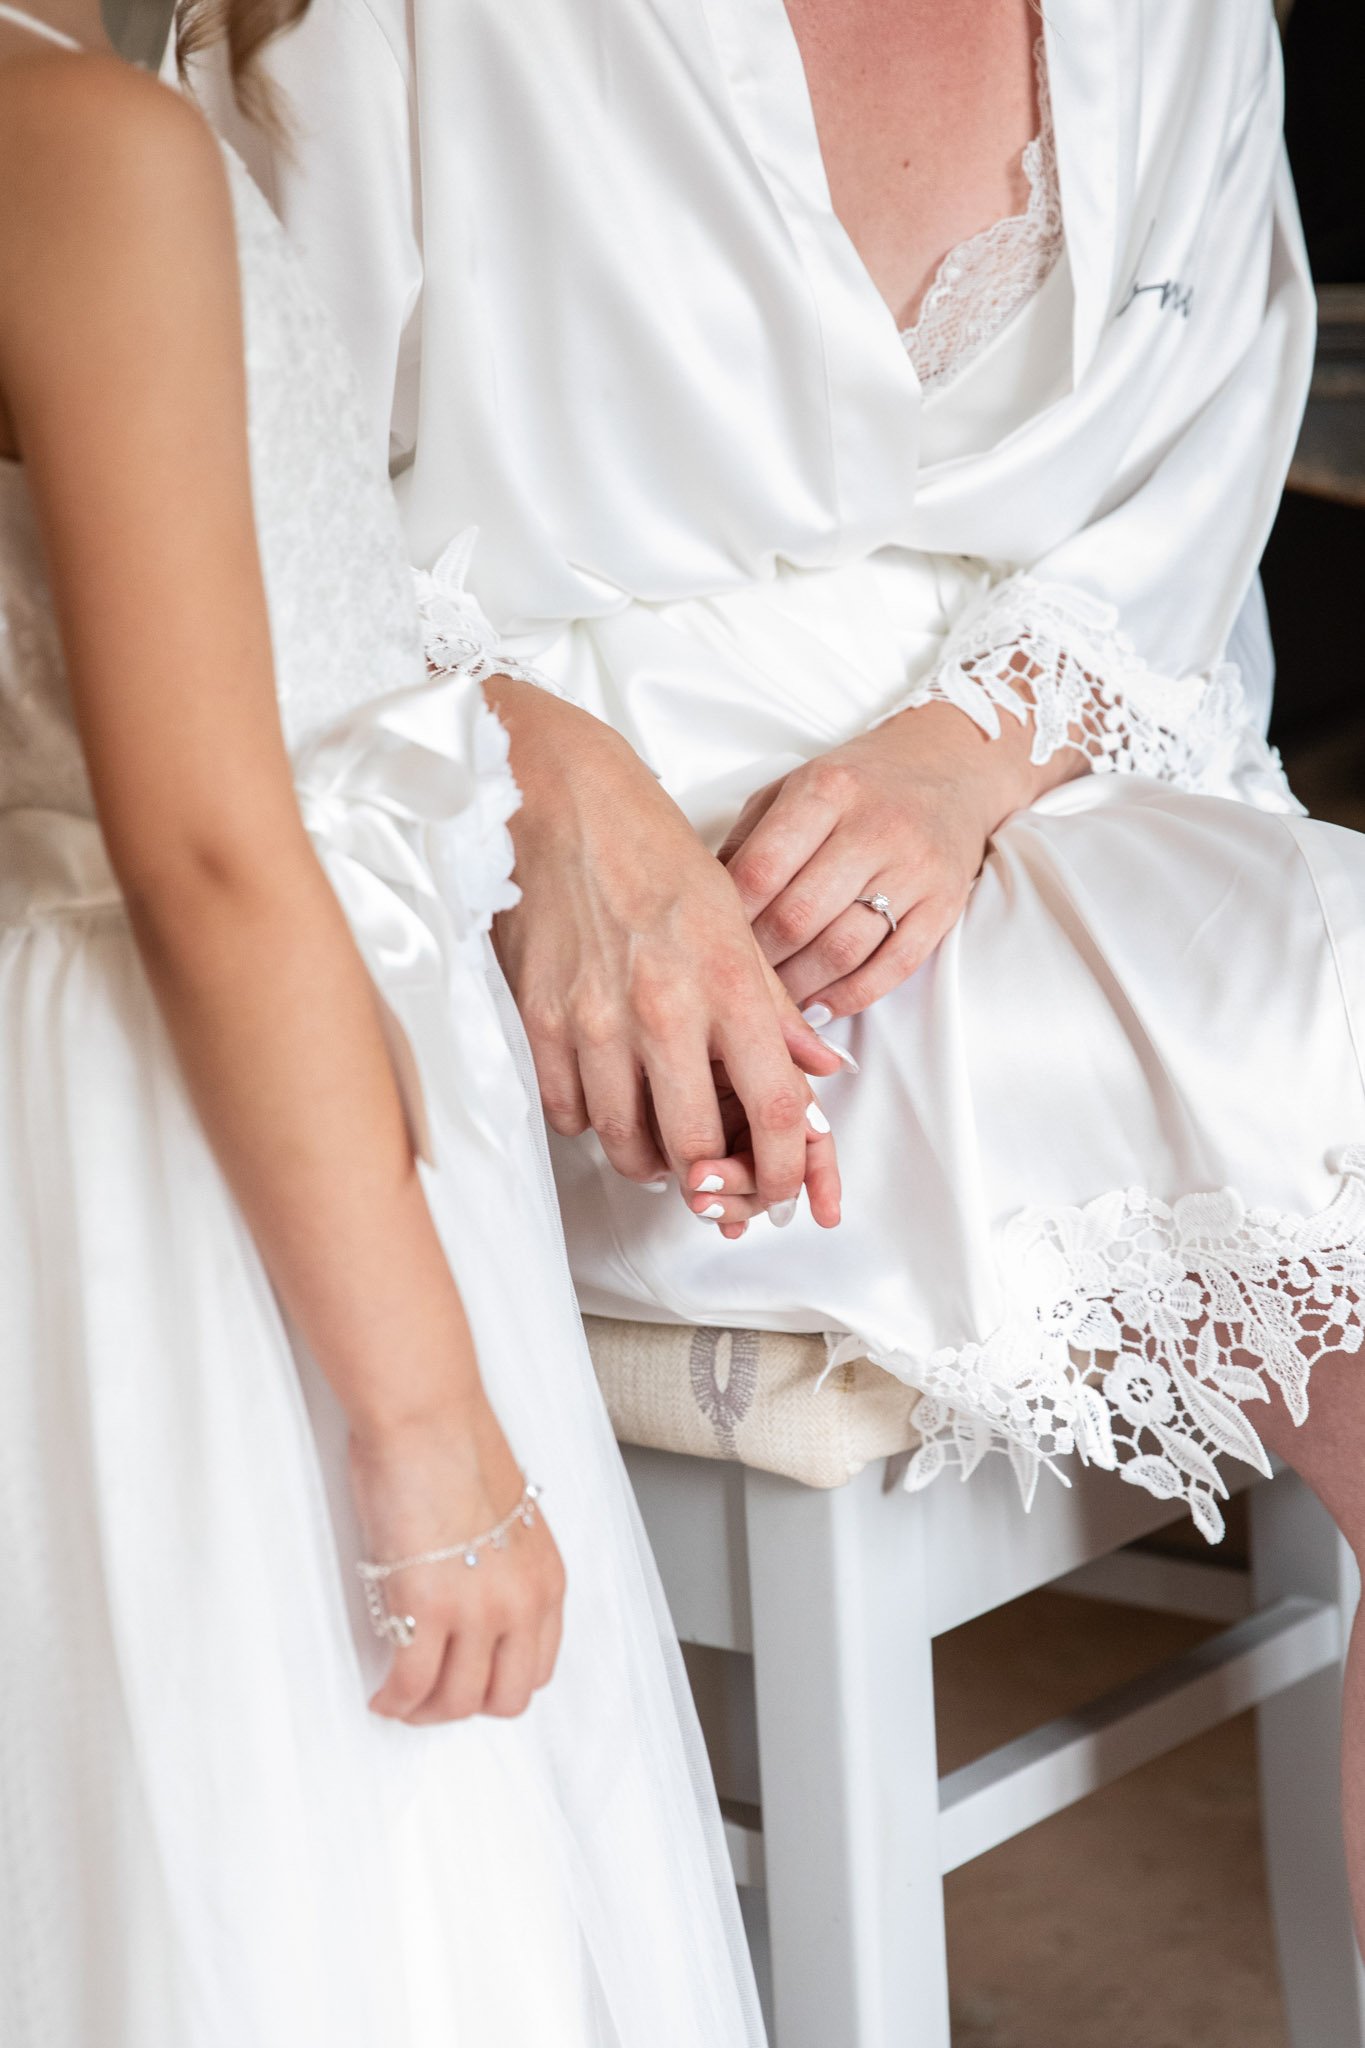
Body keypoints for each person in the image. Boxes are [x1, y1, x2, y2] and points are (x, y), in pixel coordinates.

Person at [200, 0, 1365, 1939]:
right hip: (560, 933)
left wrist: (966, 751)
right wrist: (537, 779)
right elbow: (229, 507)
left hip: (1056, 809)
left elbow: (1195, 458)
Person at [0, 6, 767, 2043]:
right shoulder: (87, 149)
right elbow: (209, 853)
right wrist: (427, 1428)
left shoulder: (121, 106)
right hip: (198, 1145)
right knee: (359, 1875)